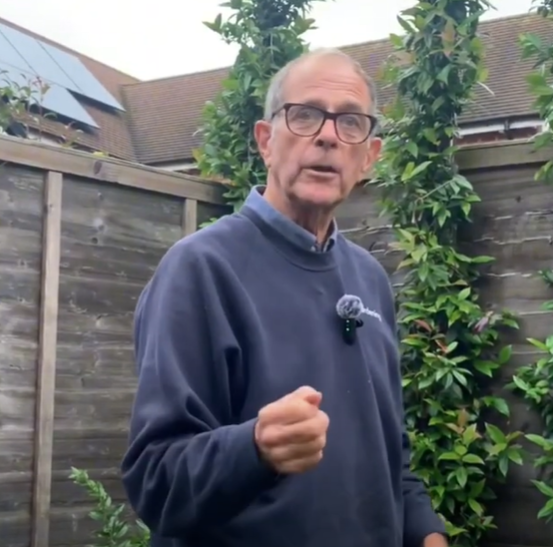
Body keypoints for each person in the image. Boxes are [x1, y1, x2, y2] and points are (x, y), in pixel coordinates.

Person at [121, 48, 448, 547]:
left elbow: (388, 453)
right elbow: (155, 482)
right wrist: (252, 448)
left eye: (350, 122)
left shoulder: (370, 278)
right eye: (305, 114)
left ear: (369, 157)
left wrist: (425, 532)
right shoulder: (202, 269)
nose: (327, 135)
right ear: (266, 141)